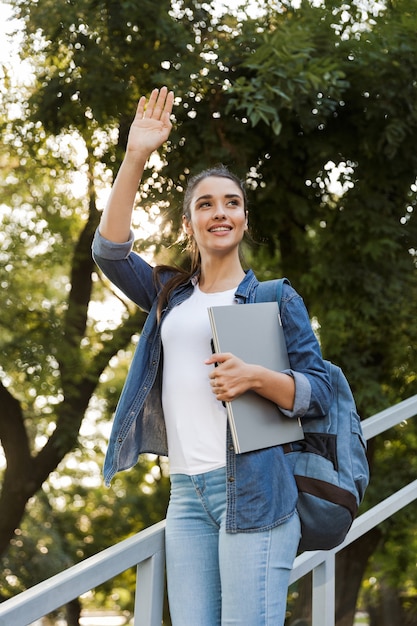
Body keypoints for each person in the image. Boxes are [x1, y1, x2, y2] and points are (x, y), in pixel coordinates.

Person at [92, 86, 332, 626]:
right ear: (189, 225)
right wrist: (135, 156)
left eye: (232, 203)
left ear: (244, 219)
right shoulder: (169, 294)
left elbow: (318, 389)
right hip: (186, 493)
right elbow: (108, 251)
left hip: (254, 489)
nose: (219, 212)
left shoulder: (274, 297)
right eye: (205, 204)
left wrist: (257, 378)